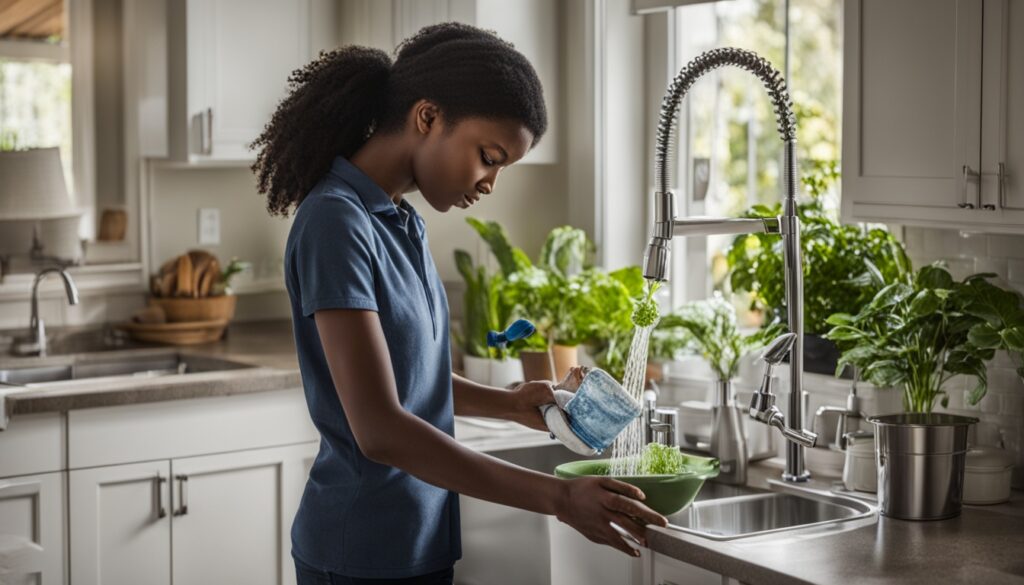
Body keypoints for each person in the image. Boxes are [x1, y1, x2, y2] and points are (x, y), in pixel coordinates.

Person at [251, 22, 667, 585]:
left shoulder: (402, 222)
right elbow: (380, 429)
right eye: (488, 156)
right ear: (428, 117)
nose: (491, 182)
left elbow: (412, 381)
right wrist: (560, 499)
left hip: (419, 543)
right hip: (359, 554)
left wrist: (512, 403)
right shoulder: (335, 222)